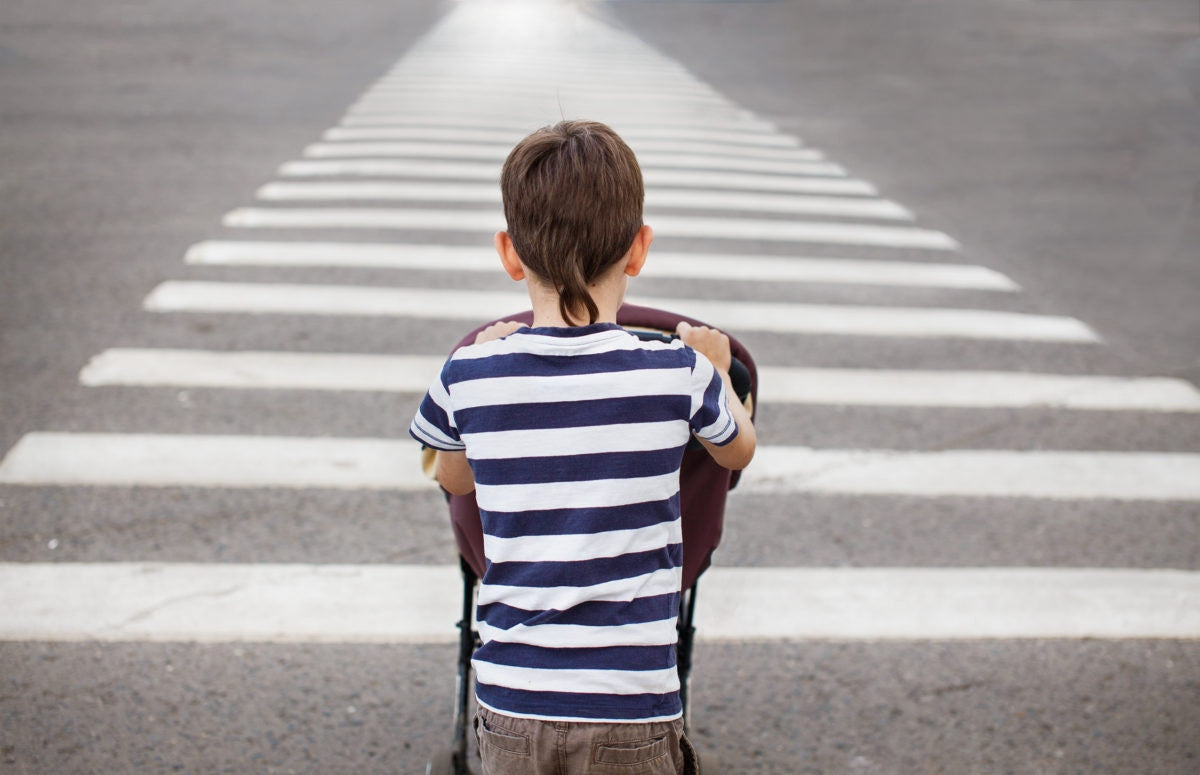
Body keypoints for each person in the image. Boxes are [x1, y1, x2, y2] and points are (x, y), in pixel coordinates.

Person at [410, 119, 756, 775]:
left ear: (509, 254)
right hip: (632, 703)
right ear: (639, 249)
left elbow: (455, 479)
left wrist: (481, 356)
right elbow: (736, 452)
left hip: (512, 698)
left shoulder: (468, 376)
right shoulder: (678, 374)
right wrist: (714, 366)